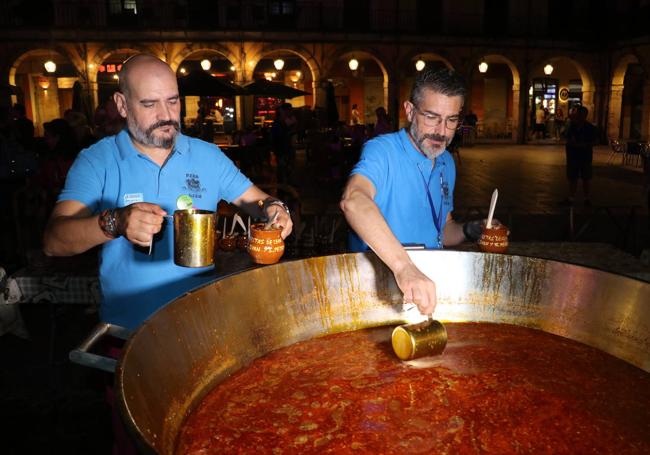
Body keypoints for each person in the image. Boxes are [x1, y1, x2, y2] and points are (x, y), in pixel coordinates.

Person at [42, 54, 292, 330]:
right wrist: (115, 221)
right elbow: (54, 241)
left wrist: (275, 208)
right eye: (149, 104)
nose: (166, 116)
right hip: (130, 329)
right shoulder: (97, 160)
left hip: (202, 323)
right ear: (122, 105)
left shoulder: (207, 156)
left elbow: (257, 200)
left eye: (173, 101)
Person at [340, 68, 484, 316]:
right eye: (431, 117)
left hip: (427, 286)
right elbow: (353, 201)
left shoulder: (446, 162)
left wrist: (469, 230)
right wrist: (404, 267)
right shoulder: (382, 151)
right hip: (379, 288)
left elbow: (442, 231)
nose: (441, 131)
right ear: (409, 111)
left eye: (451, 120)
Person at [561, 105, 596, 206]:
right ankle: (571, 198)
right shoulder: (571, 126)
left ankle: (586, 198)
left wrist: (584, 144)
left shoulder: (590, 128)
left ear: (585, 115)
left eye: (580, 114)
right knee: (573, 177)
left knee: (586, 178)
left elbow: (594, 141)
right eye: (576, 114)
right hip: (573, 156)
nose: (577, 116)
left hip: (585, 156)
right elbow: (565, 136)